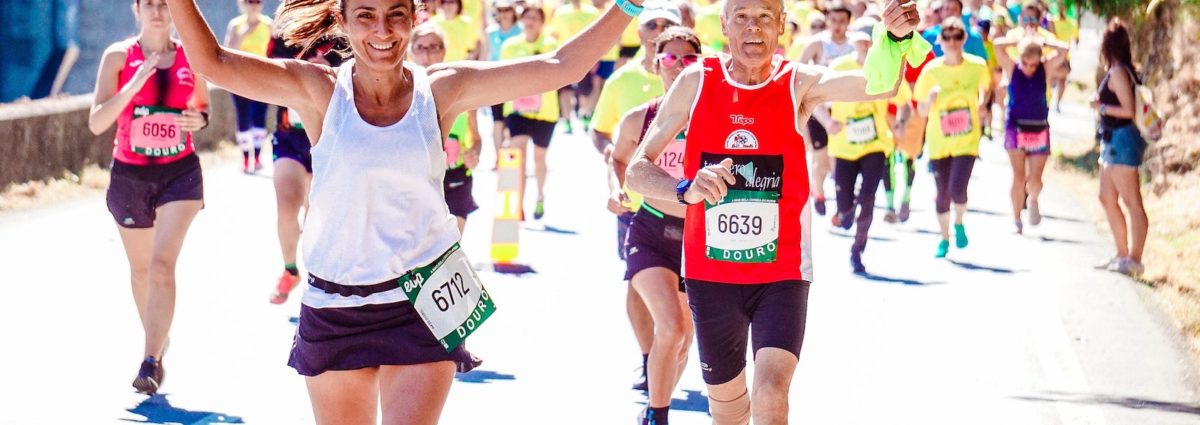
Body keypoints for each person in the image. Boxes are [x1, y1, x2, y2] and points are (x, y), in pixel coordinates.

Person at [164, 0, 644, 422]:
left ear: (414, 19)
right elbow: (213, 61)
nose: (382, 31)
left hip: (422, 302)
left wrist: (627, 4)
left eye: (396, 15)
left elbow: (561, 64)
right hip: (336, 306)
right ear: (343, 22)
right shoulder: (319, 90)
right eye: (366, 16)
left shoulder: (442, 90)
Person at [626, 0, 925, 422]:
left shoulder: (796, 83)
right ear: (725, 24)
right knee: (728, 413)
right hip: (712, 275)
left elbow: (878, 85)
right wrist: (686, 188)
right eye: (742, 17)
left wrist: (894, 37)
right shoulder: (697, 80)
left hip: (781, 273)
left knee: (770, 392)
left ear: (782, 26)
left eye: (765, 17)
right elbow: (637, 171)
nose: (753, 28)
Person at [88, 0, 210, 394]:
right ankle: (158, 339)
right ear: (136, 9)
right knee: (141, 271)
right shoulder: (119, 57)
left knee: (160, 265)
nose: (158, 11)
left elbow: (202, 109)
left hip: (180, 174)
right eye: (150, 4)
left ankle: (150, 361)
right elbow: (97, 122)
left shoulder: (192, 56)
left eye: (165, 4)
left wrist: (199, 119)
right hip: (130, 176)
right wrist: (133, 84)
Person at [609, 27, 701, 424]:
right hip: (650, 230)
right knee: (672, 326)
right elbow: (618, 160)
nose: (678, 65)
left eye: (688, 59)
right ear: (655, 63)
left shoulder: (715, 118)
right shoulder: (639, 118)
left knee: (682, 342)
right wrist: (617, 189)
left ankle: (653, 406)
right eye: (670, 58)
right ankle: (658, 415)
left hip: (699, 238)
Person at [590, 0, 680, 392]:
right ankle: (649, 358)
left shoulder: (696, 78)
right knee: (636, 284)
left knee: (680, 294)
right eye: (651, 24)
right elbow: (599, 131)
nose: (657, 28)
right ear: (640, 33)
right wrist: (615, 161)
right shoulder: (622, 81)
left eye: (667, 23)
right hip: (635, 203)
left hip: (683, 205)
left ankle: (669, 353)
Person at [265, 33, 346, 305]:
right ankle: (290, 269)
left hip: (328, 135)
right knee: (287, 204)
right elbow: (268, 73)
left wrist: (326, 66)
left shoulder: (338, 30)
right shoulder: (283, 35)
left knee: (317, 215)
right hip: (290, 135)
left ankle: (317, 275)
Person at [827, 31, 912, 273]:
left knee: (868, 199)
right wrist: (826, 122)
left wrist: (901, 123)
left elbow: (905, 104)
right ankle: (845, 212)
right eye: (860, 40)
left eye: (869, 40)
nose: (864, 44)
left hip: (876, 145)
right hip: (844, 146)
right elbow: (818, 102)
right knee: (845, 215)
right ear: (852, 42)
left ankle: (857, 251)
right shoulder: (838, 66)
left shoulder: (887, 68)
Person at [914, 18, 991, 258]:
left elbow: (987, 90)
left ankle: (959, 223)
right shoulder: (931, 71)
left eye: (957, 36)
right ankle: (944, 239)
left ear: (964, 38)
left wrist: (983, 106)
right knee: (942, 192)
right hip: (939, 140)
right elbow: (921, 111)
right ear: (940, 40)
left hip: (967, 139)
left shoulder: (977, 66)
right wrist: (930, 101)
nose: (952, 41)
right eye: (947, 37)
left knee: (958, 188)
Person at [411, 24, 483, 233]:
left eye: (433, 47)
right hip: (417, 182)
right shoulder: (400, 93)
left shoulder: (462, 92)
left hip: (456, 178)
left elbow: (476, 139)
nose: (427, 54)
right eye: (421, 47)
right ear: (411, 51)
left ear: (444, 50)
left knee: (452, 248)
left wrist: (474, 153)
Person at [992, 34, 1068, 234]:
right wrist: (1020, 41)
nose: (1029, 68)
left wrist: (1044, 42)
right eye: (1025, 63)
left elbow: (1064, 49)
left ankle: (1033, 199)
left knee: (1035, 179)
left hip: (1039, 127)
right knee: (1018, 177)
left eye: (1033, 64)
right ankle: (1016, 218)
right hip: (1016, 127)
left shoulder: (1045, 68)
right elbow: (997, 45)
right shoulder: (1013, 67)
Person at [1092, 18, 1147, 276]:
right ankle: (1122, 253)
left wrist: (1101, 107)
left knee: (1132, 202)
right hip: (1112, 140)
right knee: (1106, 197)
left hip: (1122, 140)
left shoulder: (1118, 72)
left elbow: (1127, 110)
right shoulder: (1123, 69)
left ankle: (1134, 259)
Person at [797, 2, 856, 217]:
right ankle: (819, 193)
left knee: (841, 160)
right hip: (820, 109)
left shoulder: (854, 45)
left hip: (846, 109)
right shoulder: (817, 44)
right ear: (827, 20)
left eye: (842, 21)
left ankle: (843, 202)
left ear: (849, 22)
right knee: (820, 158)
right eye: (833, 21)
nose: (837, 26)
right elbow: (797, 71)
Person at [501, 6, 559, 220]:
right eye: (526, 17)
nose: (530, 22)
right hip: (517, 110)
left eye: (535, 18)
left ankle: (540, 197)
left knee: (539, 159)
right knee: (518, 154)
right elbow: (503, 75)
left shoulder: (551, 45)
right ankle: (517, 205)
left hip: (545, 111)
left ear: (542, 22)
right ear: (520, 21)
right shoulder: (510, 46)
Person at [224, 0, 272, 173]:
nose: (254, 5)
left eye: (257, 1)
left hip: (262, 78)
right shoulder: (235, 25)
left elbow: (273, 52)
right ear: (243, 4)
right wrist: (245, 32)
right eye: (250, 1)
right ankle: (245, 159)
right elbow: (228, 51)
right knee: (242, 118)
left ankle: (257, 157)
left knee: (259, 117)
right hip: (239, 78)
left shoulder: (268, 25)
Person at [551, 0, 603, 133]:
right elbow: (555, 36)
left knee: (585, 91)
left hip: (585, 58)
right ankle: (567, 120)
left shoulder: (592, 12)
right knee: (565, 91)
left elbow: (597, 37)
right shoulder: (560, 12)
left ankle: (585, 116)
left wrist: (595, 58)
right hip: (562, 58)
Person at [485, 0, 523, 161]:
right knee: (497, 121)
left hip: (516, 81)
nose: (504, 13)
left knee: (512, 122)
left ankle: (512, 158)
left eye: (507, 9)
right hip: (495, 81)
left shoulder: (520, 31)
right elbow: (485, 56)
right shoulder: (490, 32)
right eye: (500, 10)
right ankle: (498, 158)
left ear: (513, 11)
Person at [920, 0, 988, 61]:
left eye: (954, 9)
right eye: (947, 9)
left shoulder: (974, 37)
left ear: (961, 12)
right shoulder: (928, 35)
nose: (950, 12)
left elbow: (983, 64)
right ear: (941, 11)